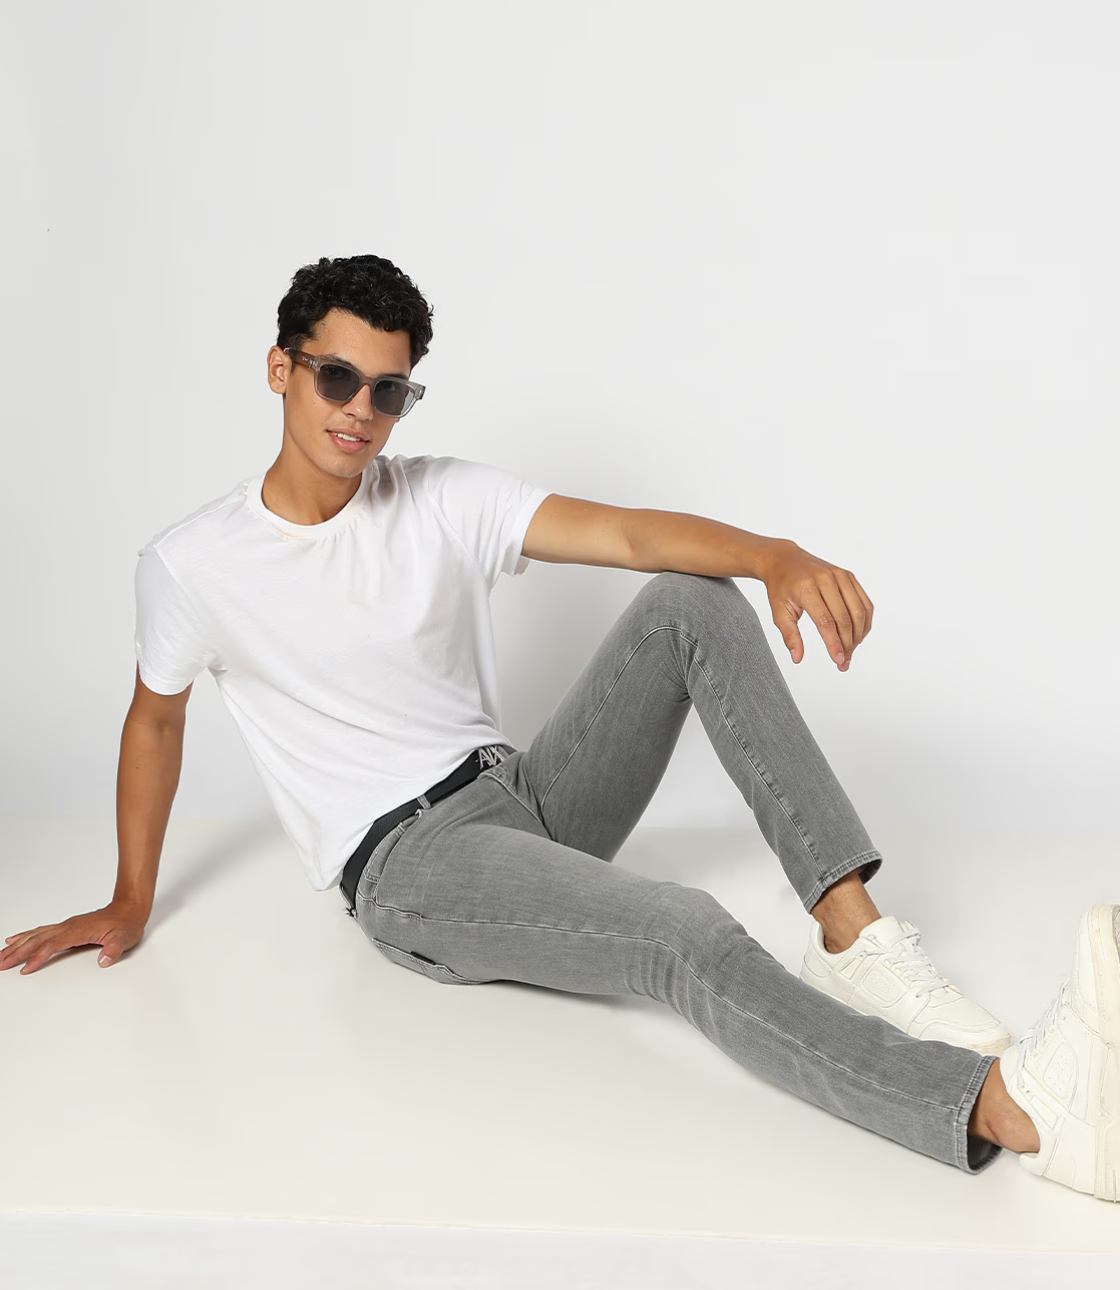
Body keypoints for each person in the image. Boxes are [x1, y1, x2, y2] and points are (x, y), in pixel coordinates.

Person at [3, 254, 1117, 1203]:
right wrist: (130, 898)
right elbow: (154, 722)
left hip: (522, 794)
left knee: (688, 602)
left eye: (388, 391)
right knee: (679, 929)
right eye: (336, 377)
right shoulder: (193, 564)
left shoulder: (435, 496)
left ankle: (854, 938)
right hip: (410, 867)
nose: (359, 412)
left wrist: (774, 554)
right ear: (280, 370)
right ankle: (1007, 1110)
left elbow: (628, 537)